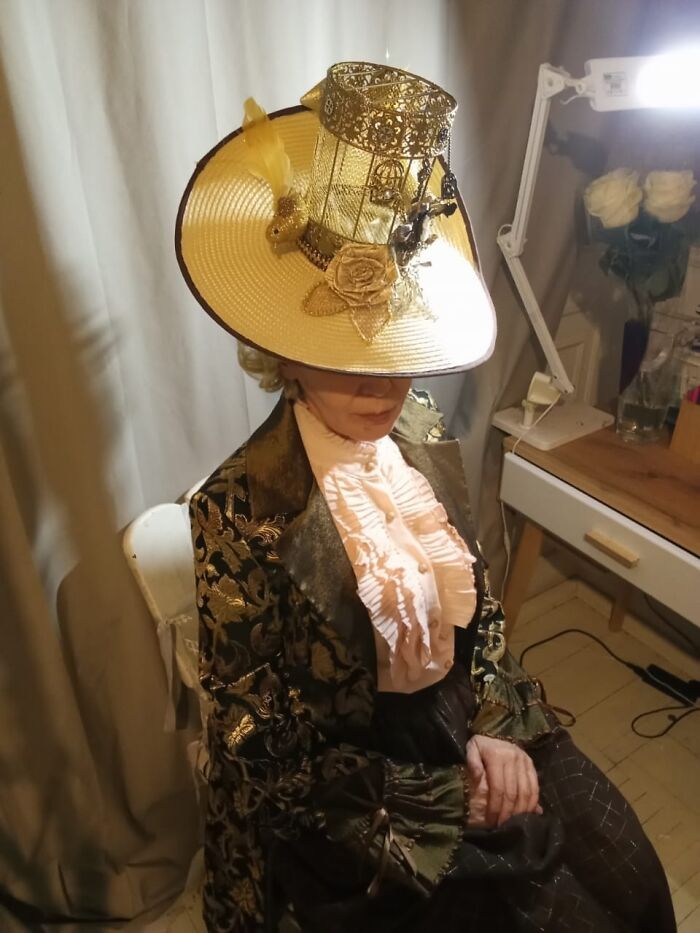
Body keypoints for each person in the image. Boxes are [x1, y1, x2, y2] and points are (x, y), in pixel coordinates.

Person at [177, 62, 676, 932]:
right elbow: (259, 753)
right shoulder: (233, 508)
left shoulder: (425, 428)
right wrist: (444, 796)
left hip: (462, 716)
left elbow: (475, 616)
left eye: (399, 348)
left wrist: (493, 727)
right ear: (282, 352)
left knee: (627, 868)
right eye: (339, 350)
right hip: (354, 786)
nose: (384, 382)